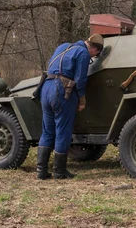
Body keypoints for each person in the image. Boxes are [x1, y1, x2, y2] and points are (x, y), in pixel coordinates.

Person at [36, 34, 103, 180]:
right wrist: (82, 99)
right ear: (95, 50)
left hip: (45, 88)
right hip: (61, 90)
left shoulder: (62, 47)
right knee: (63, 130)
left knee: (47, 131)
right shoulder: (83, 53)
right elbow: (80, 79)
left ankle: (41, 171)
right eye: (97, 54)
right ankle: (59, 171)